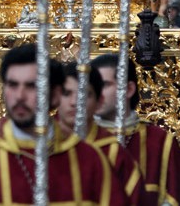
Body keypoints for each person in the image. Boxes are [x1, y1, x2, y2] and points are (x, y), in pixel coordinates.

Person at [0, 43, 127, 205]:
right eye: (12, 85)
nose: (19, 96)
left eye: (31, 86)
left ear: (56, 95)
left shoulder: (89, 161)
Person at [92, 53, 180, 205]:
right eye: (93, 86)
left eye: (105, 85)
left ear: (128, 89)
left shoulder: (159, 142)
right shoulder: (80, 138)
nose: (96, 93)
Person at [57, 62, 143, 205]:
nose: (74, 102)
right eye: (66, 94)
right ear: (54, 98)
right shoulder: (37, 146)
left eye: (84, 94)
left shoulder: (113, 152)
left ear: (99, 101)